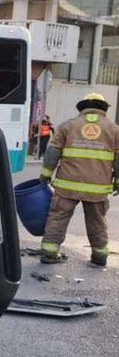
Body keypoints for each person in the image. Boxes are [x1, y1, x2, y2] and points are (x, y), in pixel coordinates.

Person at [39, 92, 119, 266]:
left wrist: (45, 175)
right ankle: (99, 257)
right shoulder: (114, 129)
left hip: (67, 187)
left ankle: (49, 253)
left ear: (82, 107)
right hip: (97, 189)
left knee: (58, 218)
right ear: (103, 108)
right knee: (97, 222)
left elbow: (52, 153)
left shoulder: (68, 126)